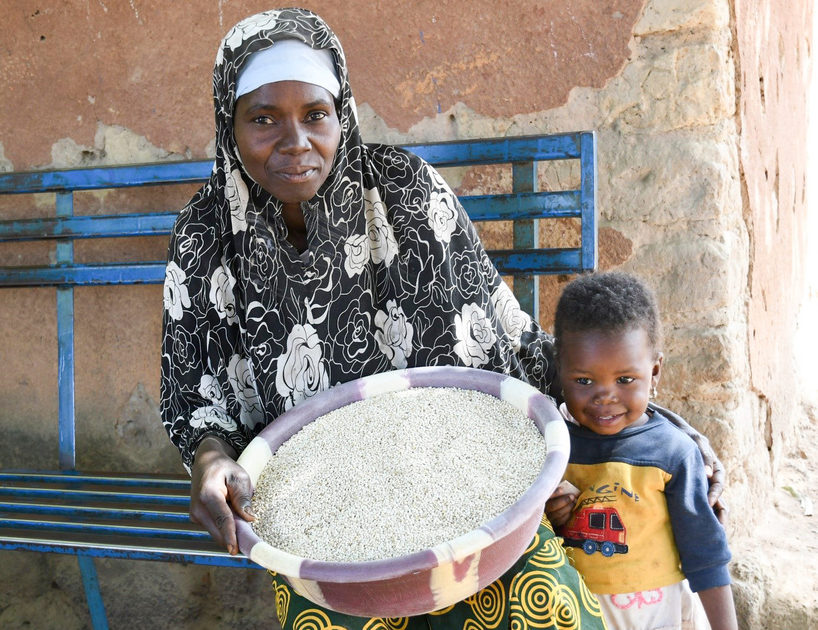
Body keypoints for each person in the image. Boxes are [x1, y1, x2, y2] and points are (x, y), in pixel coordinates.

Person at [160, 8, 722, 629]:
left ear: (340, 113)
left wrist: (657, 422)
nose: (296, 143)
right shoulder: (205, 234)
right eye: (263, 119)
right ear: (228, 123)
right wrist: (211, 463)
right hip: (322, 518)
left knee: (544, 609)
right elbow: (195, 398)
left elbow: (503, 340)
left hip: (465, 489)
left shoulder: (403, 190)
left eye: (315, 115)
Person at [545, 272, 737, 630]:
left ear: (655, 372)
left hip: (655, 615)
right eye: (584, 381)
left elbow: (706, 556)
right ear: (561, 372)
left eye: (625, 380)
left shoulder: (674, 452)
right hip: (575, 613)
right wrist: (550, 515)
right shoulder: (552, 448)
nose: (605, 396)